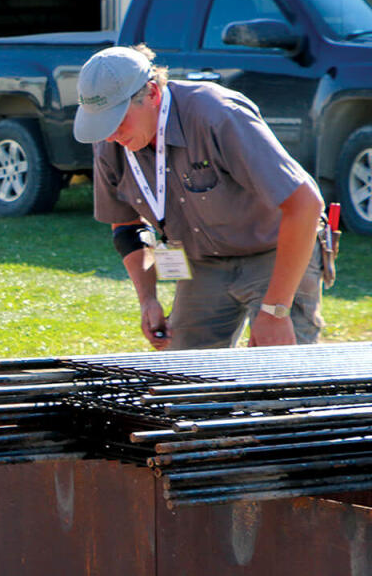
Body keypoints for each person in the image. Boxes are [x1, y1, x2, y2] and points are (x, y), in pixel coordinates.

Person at [75, 44, 326, 350]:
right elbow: (126, 226)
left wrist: (276, 310)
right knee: (185, 377)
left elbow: (306, 204)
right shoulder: (109, 142)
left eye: (117, 119)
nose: (111, 134)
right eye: (100, 122)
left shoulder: (217, 114)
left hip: (275, 251)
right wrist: (148, 300)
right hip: (203, 263)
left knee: (280, 376)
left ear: (152, 94)